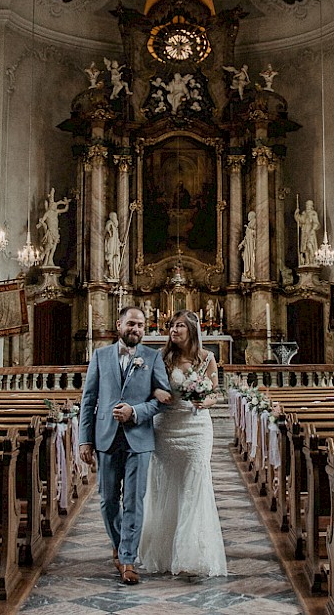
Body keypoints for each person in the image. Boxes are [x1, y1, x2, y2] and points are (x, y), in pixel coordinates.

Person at [79, 306, 170, 585]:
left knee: (133, 500)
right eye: (131, 323)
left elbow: (162, 398)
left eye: (141, 325)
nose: (136, 329)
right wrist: (85, 439)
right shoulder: (100, 356)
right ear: (118, 325)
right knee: (108, 501)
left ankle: (128, 559)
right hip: (106, 437)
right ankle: (119, 544)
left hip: (138, 438)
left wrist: (136, 411)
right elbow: (89, 399)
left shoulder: (153, 358)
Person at [138, 310, 227, 576]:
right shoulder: (161, 357)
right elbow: (148, 387)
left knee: (195, 483)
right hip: (167, 426)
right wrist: (158, 392)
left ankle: (193, 554)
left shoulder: (207, 358)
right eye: (171, 325)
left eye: (179, 326)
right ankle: (164, 551)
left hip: (197, 426)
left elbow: (216, 393)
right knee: (166, 483)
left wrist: (205, 400)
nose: (174, 330)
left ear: (191, 330)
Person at [37, 189, 70, 267]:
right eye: (53, 205)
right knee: (49, 245)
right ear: (50, 206)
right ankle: (45, 257)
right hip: (50, 231)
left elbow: (65, 210)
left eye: (55, 205)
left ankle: (50, 259)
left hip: (56, 231)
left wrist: (67, 204)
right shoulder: (48, 213)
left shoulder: (56, 212)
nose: (55, 206)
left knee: (54, 246)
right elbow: (43, 220)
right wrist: (40, 223)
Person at [294, 198, 320, 266]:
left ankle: (313, 261)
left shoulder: (313, 213)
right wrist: (296, 214)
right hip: (304, 231)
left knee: (310, 246)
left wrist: (313, 229)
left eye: (308, 205)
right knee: (305, 248)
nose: (307, 206)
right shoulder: (304, 213)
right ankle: (307, 262)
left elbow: (316, 223)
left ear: (311, 206)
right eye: (306, 205)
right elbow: (301, 220)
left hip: (310, 232)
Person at [239, 210, 256, 281]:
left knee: (252, 258)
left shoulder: (255, 223)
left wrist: (249, 229)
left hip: (252, 245)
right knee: (246, 258)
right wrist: (241, 244)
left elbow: (257, 234)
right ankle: (247, 273)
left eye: (249, 216)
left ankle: (252, 274)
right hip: (247, 245)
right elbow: (246, 237)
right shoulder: (249, 225)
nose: (248, 217)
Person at [105, 211, 121, 282]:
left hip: (115, 245)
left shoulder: (115, 227)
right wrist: (109, 231)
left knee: (116, 259)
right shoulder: (110, 223)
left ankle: (115, 275)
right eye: (114, 216)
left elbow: (117, 238)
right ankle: (110, 274)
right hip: (111, 243)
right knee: (110, 258)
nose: (115, 218)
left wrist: (120, 243)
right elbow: (106, 230)